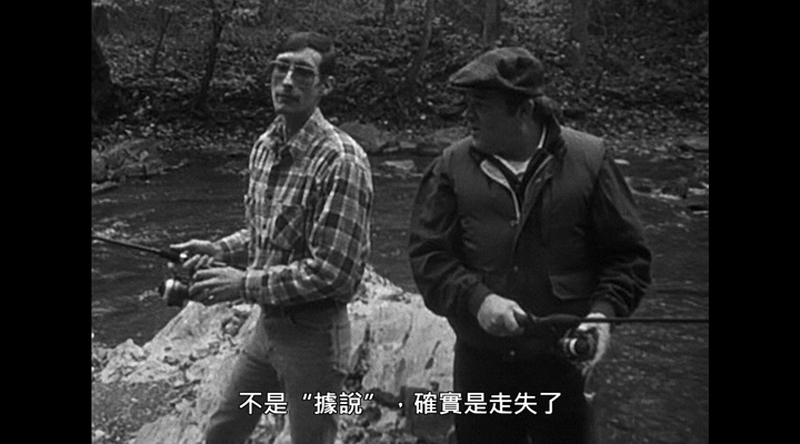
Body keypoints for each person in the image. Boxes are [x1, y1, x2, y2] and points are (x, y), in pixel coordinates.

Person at [408, 47, 651, 444]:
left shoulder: (591, 161)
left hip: (563, 370)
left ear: (523, 110)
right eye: (467, 104)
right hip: (481, 369)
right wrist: (478, 300)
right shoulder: (450, 167)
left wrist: (603, 317)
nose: (467, 116)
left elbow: (628, 257)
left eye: (481, 106)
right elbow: (428, 257)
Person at [170, 31, 373, 444]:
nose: (287, 81)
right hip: (266, 329)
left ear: (325, 86)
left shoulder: (342, 160)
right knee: (223, 431)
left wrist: (242, 283)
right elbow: (264, 231)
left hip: (314, 339)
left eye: (303, 73)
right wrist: (218, 250)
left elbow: (333, 273)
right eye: (281, 68)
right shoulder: (265, 146)